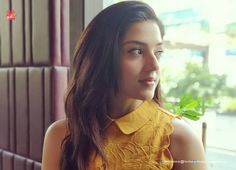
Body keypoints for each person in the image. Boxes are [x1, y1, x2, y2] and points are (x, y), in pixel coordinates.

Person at [42, 1, 207, 170]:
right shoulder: (61, 135)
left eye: (158, 52)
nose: (154, 65)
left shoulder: (180, 139)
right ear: (101, 57)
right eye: (136, 51)